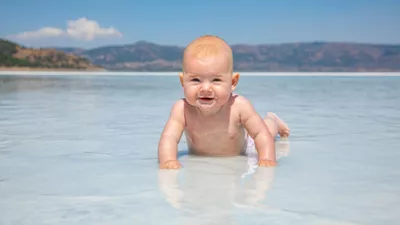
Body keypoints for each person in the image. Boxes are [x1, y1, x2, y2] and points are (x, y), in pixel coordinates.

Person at [158, 35, 290, 169]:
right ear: (183, 82)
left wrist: (267, 158)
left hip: (246, 148)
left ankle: (273, 119)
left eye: (216, 80)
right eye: (195, 80)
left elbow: (260, 134)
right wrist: (168, 160)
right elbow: (169, 138)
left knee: (267, 130)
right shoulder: (182, 109)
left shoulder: (239, 106)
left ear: (233, 82)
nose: (205, 88)